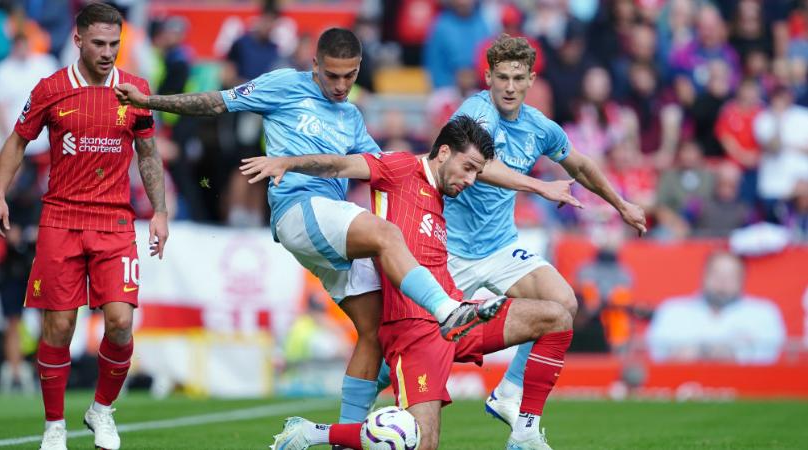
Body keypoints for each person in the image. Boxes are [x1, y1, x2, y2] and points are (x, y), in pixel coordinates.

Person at [115, 28, 525, 429]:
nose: (342, 85)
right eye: (332, 75)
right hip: (299, 209)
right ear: (315, 65)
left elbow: (388, 169)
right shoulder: (284, 85)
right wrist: (150, 101)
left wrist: (516, 181)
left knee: (373, 331)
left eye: (350, 75)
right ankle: (448, 312)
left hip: (328, 222)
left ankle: (344, 436)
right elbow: (216, 103)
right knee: (386, 236)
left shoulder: (351, 117)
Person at [245, 115, 574, 450]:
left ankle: (524, 433)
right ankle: (313, 433)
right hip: (414, 330)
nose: (472, 179)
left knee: (556, 317)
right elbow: (338, 165)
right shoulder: (399, 168)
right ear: (444, 152)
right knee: (423, 443)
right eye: (469, 168)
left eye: (477, 172)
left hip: (458, 316)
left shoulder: (441, 196)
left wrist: (539, 186)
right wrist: (287, 162)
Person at [442, 34, 646, 445]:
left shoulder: (539, 127)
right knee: (415, 345)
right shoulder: (476, 112)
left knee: (562, 302)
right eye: (502, 77)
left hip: (500, 246)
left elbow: (583, 165)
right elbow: (479, 165)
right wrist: (542, 187)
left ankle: (509, 393)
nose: (510, 87)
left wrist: (621, 204)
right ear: (488, 77)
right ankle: (354, 417)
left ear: (532, 79)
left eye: (519, 77)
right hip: (450, 249)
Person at [0, 4, 169, 450]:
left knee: (121, 323)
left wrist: (160, 211)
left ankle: (101, 410)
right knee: (59, 328)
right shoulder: (51, 89)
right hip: (61, 219)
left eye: (114, 44)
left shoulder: (136, 90)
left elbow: (147, 154)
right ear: (79, 40)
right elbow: (17, 141)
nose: (108, 53)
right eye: (99, 44)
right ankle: (54, 427)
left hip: (114, 221)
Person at [646, 251, 786, 364]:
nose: (722, 282)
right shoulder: (672, 311)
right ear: (704, 275)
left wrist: (734, 355)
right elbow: (657, 353)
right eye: (716, 274)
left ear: (743, 279)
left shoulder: (764, 313)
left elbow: (770, 356)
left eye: (730, 276)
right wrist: (691, 353)